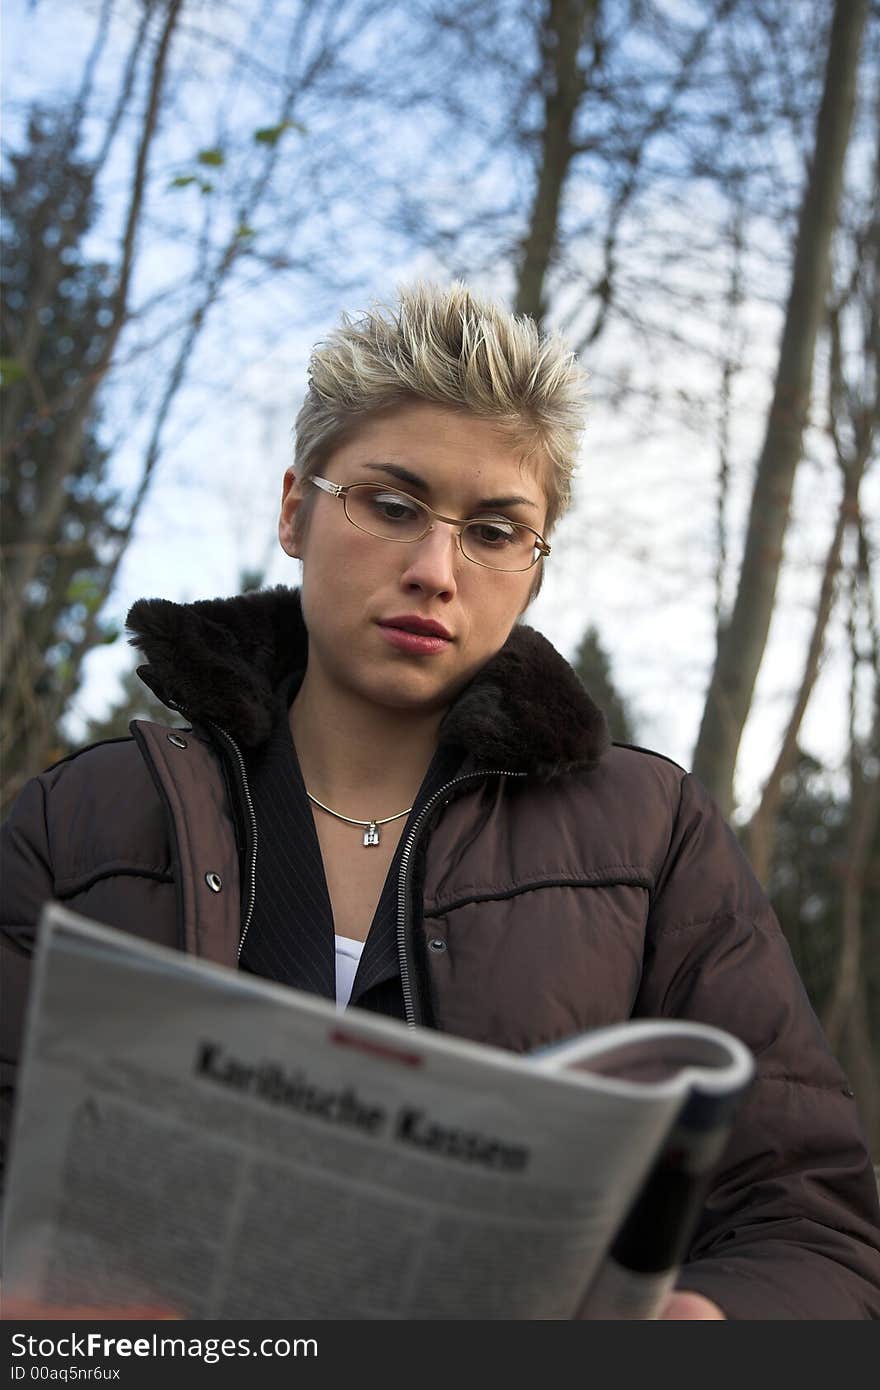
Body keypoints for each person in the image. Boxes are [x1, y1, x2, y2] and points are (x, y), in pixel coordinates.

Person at [2, 282, 879, 1321]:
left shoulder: (654, 837)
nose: (434, 570)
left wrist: (711, 1327)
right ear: (295, 508)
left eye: (497, 528)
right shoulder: (76, 823)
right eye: (391, 504)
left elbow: (813, 1221)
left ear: (535, 566)